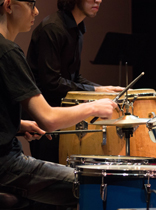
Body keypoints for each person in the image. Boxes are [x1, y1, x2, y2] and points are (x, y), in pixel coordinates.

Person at [0, 0, 117, 208]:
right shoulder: (8, 52)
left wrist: (18, 125)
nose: (36, 11)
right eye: (31, 4)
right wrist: (94, 107)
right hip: (6, 164)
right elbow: (49, 119)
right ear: (9, 6)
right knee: (101, 186)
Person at [26, 0, 124, 163]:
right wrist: (94, 92)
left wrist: (101, 89)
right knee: (51, 182)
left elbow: (73, 77)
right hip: (46, 116)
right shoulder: (52, 28)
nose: (98, 0)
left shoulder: (77, 28)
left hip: (63, 114)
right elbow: (52, 82)